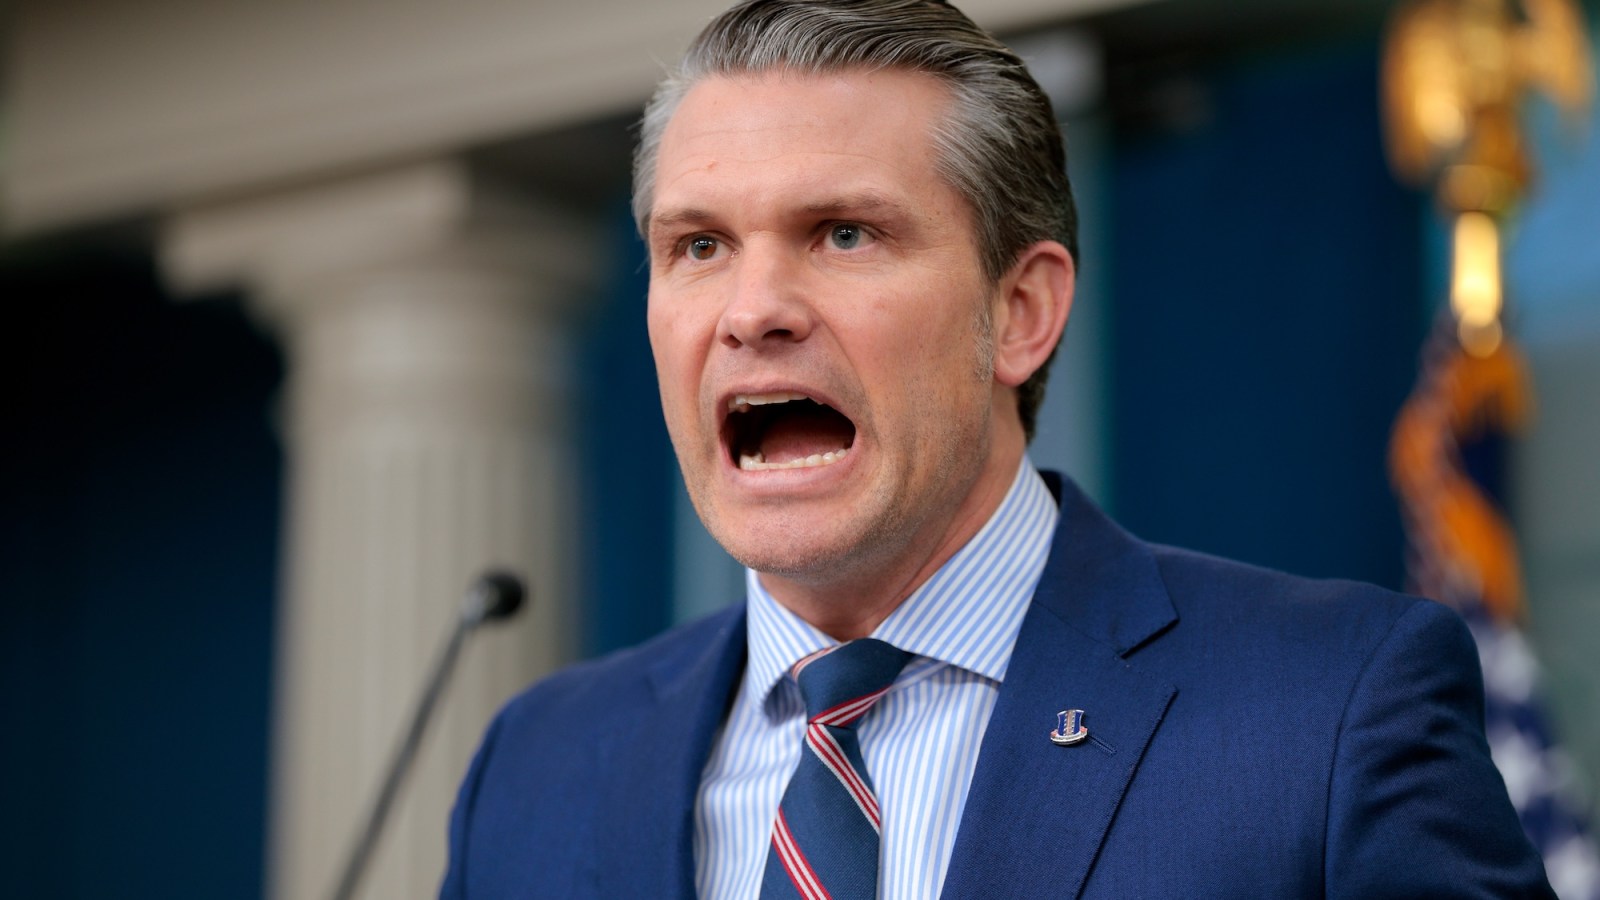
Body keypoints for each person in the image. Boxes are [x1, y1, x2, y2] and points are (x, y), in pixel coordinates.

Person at [442, 1, 1554, 897]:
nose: (753, 310)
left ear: (1020, 313)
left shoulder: (1328, 709)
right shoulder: (537, 770)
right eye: (698, 246)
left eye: (843, 233)